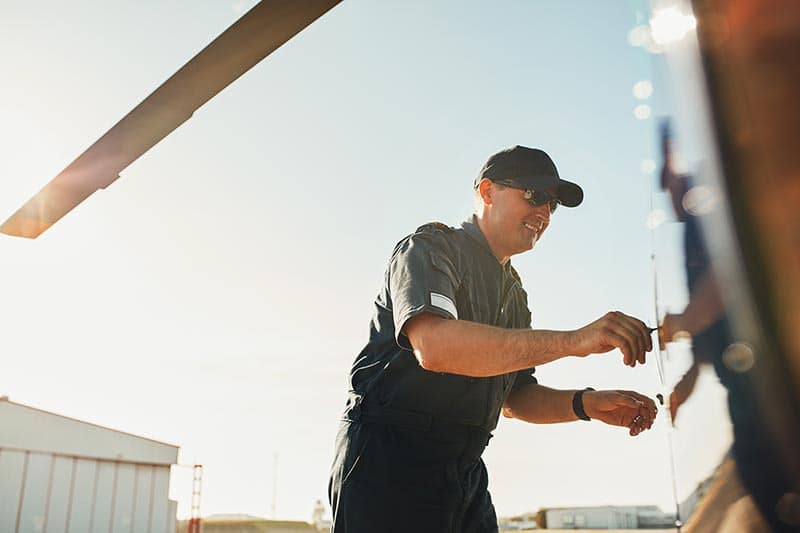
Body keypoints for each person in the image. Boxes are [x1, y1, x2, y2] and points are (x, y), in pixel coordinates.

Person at [328, 145, 657, 533]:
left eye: (552, 205)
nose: (544, 213)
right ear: (487, 191)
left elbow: (515, 399)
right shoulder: (430, 248)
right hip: (388, 465)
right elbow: (434, 348)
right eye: (535, 196)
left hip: (464, 471)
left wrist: (586, 404)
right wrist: (575, 341)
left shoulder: (514, 293)